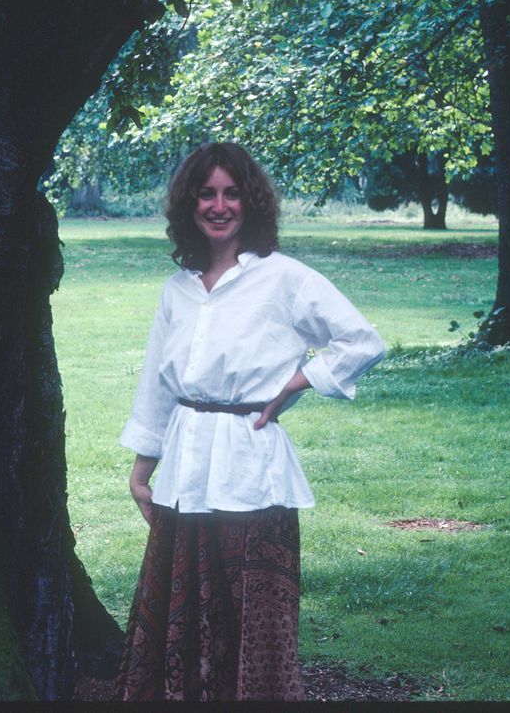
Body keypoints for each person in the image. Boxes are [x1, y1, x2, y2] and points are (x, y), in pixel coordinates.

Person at [113, 142, 386, 701]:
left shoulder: (284, 279)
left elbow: (362, 341)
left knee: (253, 617)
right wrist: (143, 471)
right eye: (206, 193)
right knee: (182, 612)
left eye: (231, 193)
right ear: (188, 205)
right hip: (185, 473)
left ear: (251, 202)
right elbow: (158, 386)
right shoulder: (179, 289)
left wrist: (299, 381)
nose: (219, 206)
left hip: (252, 467)